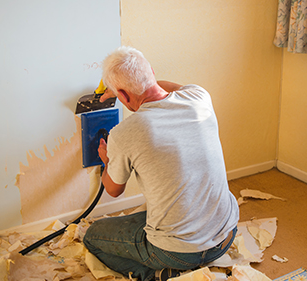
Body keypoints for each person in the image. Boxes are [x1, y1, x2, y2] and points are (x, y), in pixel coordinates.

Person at [83, 46, 239, 281]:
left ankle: (156, 275)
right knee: (149, 217)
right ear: (152, 73)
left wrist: (107, 161)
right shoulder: (199, 97)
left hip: (179, 253)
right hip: (226, 236)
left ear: (123, 96)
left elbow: (114, 190)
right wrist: (130, 86)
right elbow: (170, 88)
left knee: (92, 237)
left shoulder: (125, 133)